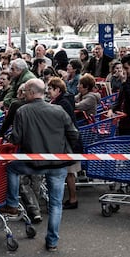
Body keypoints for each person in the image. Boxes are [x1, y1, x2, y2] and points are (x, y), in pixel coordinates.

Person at [0, 78, 79, 252]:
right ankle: (52, 241)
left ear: (32, 92)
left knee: (11, 168)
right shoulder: (58, 110)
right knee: (56, 204)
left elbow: (16, 138)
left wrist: (8, 139)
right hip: (59, 163)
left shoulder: (23, 111)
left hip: (34, 162)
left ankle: (12, 202)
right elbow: (73, 133)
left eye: (26, 91)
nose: (24, 94)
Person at [47, 77, 83, 210]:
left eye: (50, 88)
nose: (48, 91)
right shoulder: (63, 100)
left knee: (69, 172)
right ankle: (71, 198)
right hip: (70, 142)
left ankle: (73, 199)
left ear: (57, 89)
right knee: (69, 172)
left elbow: (65, 125)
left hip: (70, 144)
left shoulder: (62, 103)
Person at [107, 54, 130, 135]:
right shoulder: (128, 78)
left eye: (126, 68)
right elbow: (120, 98)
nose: (124, 71)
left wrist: (124, 82)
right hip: (124, 123)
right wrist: (112, 109)